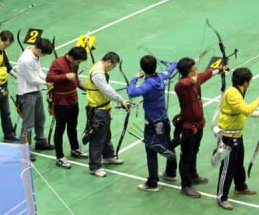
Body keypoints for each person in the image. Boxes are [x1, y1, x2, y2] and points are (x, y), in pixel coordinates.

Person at [128, 55, 178, 191]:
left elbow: (131, 92)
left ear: (143, 69)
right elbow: (170, 68)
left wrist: (135, 78)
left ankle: (152, 183)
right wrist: (174, 62)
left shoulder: (147, 85)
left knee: (151, 151)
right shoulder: (162, 77)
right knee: (168, 146)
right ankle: (171, 173)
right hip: (164, 120)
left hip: (152, 124)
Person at [174, 57, 222, 197]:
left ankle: (193, 175)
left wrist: (218, 70)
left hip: (199, 124)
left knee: (194, 151)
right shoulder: (182, 85)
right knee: (186, 156)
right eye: (195, 69)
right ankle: (185, 186)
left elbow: (205, 74)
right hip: (188, 127)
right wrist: (194, 79)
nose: (197, 71)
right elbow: (184, 82)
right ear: (189, 73)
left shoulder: (194, 81)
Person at [215, 67, 259, 210]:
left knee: (239, 164)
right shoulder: (233, 94)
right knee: (227, 168)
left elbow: (243, 111)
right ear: (245, 82)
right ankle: (221, 197)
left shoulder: (238, 91)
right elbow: (247, 110)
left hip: (237, 134)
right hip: (228, 136)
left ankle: (240, 187)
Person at [84, 52, 130, 177]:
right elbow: (106, 90)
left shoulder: (101, 70)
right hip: (98, 110)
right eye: (113, 66)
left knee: (106, 135)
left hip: (104, 107)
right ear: (109, 62)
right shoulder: (98, 73)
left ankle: (108, 156)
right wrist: (121, 100)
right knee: (97, 138)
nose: (112, 68)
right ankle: (95, 166)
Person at [46, 46, 88, 169]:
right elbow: (49, 78)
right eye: (78, 61)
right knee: (60, 129)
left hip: (73, 99)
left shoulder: (75, 64)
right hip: (61, 101)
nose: (79, 63)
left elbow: (76, 79)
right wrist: (65, 76)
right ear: (72, 57)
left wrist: (85, 88)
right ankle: (59, 156)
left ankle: (75, 149)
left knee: (72, 126)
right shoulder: (58, 63)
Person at [15, 38, 55, 161]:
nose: (43, 56)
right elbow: (32, 79)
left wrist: (48, 79)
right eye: (44, 54)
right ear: (39, 50)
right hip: (27, 93)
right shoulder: (26, 59)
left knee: (40, 117)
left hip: (35, 91)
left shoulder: (35, 55)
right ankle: (24, 150)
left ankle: (40, 141)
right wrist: (46, 83)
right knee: (28, 123)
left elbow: (38, 71)